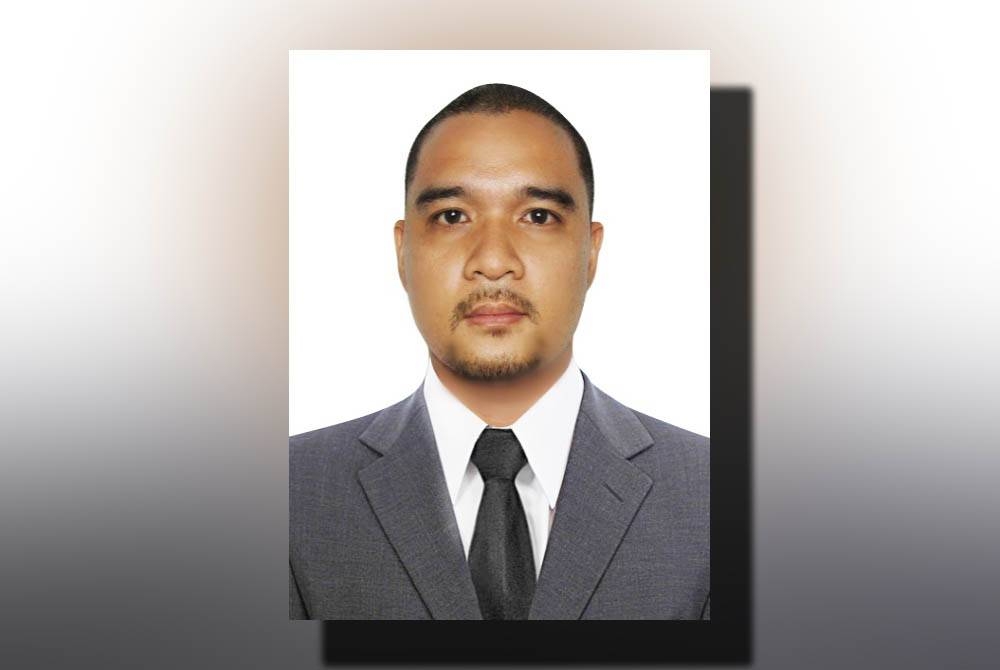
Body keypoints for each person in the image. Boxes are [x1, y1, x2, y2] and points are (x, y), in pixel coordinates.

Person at [289, 83, 709, 620]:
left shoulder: (717, 495)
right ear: (403, 250)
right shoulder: (289, 492)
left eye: (538, 216)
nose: (492, 261)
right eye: (451, 216)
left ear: (590, 251)